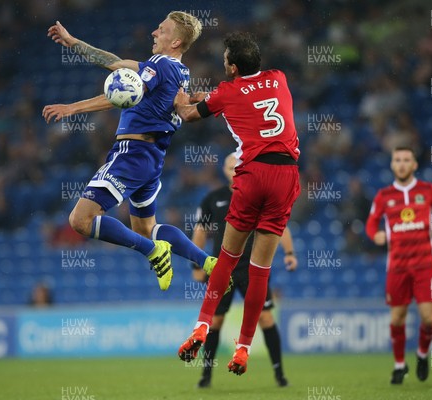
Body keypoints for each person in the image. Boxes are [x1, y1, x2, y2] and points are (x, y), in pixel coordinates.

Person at [42, 13, 219, 290]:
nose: (153, 33)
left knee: (80, 220)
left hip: (132, 153)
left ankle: (153, 252)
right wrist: (74, 42)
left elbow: (120, 91)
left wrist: (71, 108)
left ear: (175, 41)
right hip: (152, 158)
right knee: (146, 229)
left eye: (161, 30)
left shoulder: (160, 64)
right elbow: (115, 63)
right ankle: (207, 261)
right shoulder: (178, 70)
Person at [174, 32, 301, 376]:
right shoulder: (278, 78)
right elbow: (247, 96)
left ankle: (201, 326)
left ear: (230, 66)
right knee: (261, 270)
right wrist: (210, 95)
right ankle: (243, 349)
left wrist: (179, 97)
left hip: (253, 175)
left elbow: (189, 114)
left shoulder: (226, 93)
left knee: (227, 260)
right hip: (287, 175)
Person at [191, 153, 297, 387]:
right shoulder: (213, 198)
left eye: (237, 165)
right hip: (223, 268)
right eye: (230, 166)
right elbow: (200, 231)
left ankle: (279, 374)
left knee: (266, 318)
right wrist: (196, 263)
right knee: (215, 321)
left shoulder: (257, 194)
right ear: (224, 169)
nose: (233, 169)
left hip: (253, 269)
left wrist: (289, 253)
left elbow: (280, 226)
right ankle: (206, 375)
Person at [365, 146, 432, 384]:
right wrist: (376, 236)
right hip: (397, 267)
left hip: (425, 265)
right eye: (397, 160)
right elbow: (371, 224)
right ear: (392, 165)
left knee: (429, 319)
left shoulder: (428, 190)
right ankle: (400, 365)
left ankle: (422, 354)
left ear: (414, 165)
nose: (401, 164)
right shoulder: (383, 195)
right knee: (397, 318)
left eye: (406, 160)